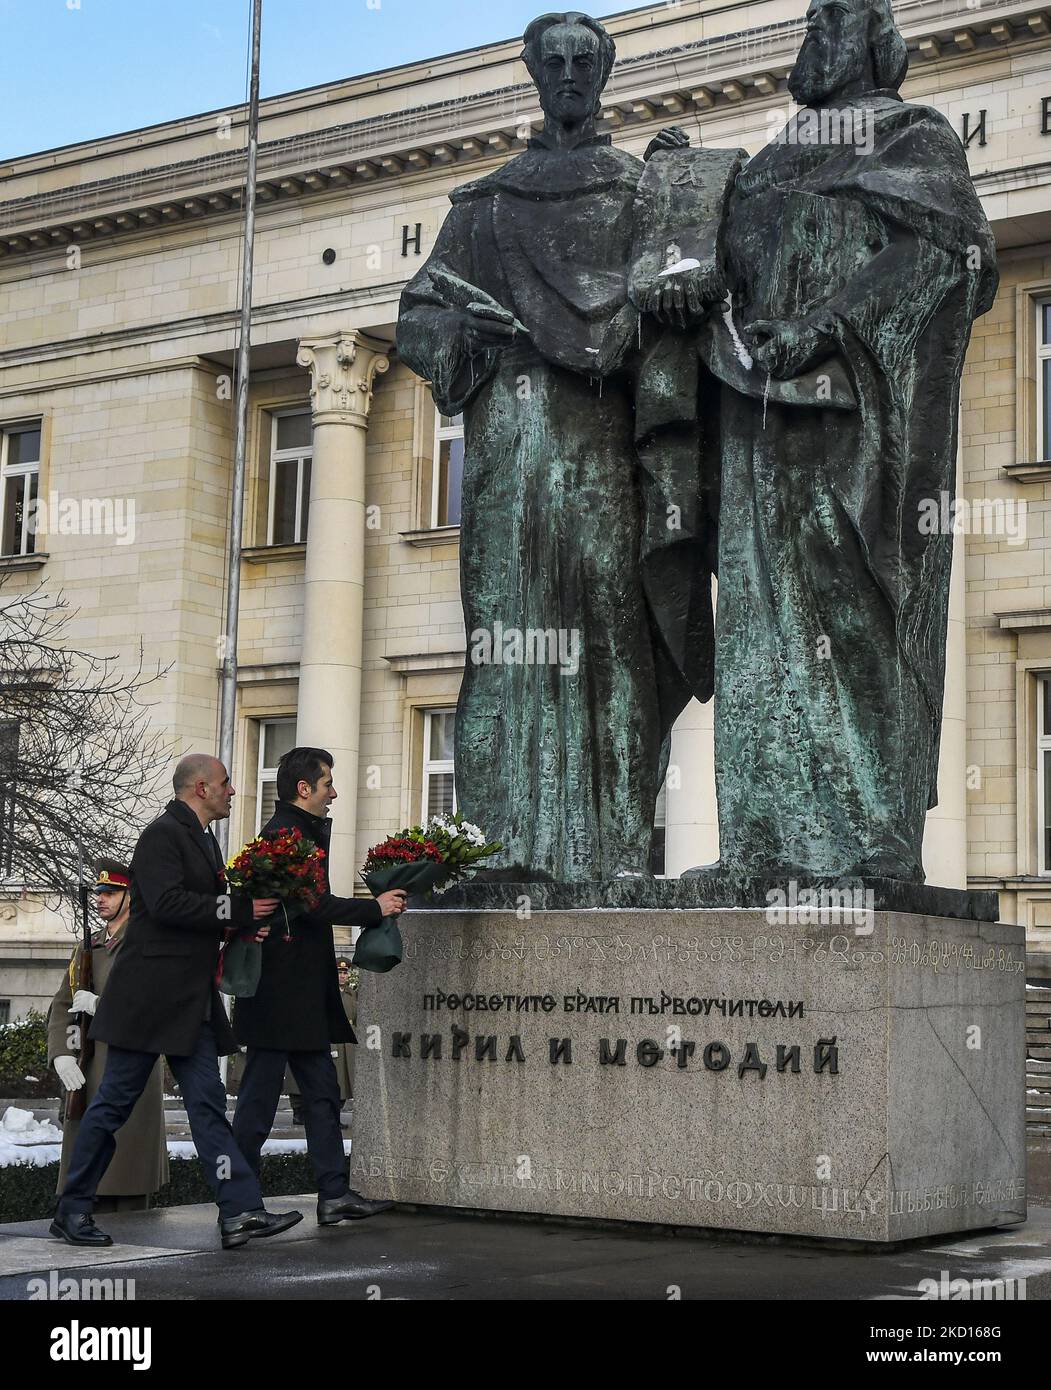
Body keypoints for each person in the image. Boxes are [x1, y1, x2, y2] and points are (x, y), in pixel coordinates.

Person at [397, 12, 711, 881]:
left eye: (585, 59)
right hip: (511, 449)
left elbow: (688, 288)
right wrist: (466, 330)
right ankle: (504, 850)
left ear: (605, 70)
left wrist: (679, 192)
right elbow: (418, 316)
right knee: (505, 639)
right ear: (531, 71)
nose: (569, 73)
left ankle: (607, 854)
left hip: (605, 446)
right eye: (554, 60)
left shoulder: (636, 187)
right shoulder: (484, 203)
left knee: (613, 640)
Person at [50, 754, 303, 1251]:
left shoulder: (202, 839)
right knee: (112, 1106)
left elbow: (199, 914)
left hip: (189, 1001)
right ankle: (72, 1209)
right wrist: (242, 909)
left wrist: (246, 922)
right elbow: (167, 905)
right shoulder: (163, 834)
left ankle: (239, 1211)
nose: (233, 792)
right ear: (202, 787)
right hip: (150, 1000)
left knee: (208, 1107)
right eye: (227, 784)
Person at [232, 747, 405, 1226]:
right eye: (327, 783)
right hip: (281, 992)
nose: (335, 793)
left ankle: (333, 1193)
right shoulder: (286, 835)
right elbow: (314, 905)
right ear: (304, 789)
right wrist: (375, 908)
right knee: (259, 1102)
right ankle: (240, 1203)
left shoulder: (296, 832)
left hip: (298, 991)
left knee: (322, 1094)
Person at [47, 860, 168, 1212]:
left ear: (132, 895)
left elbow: (158, 1003)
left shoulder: (147, 942)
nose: (101, 899)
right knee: (85, 1175)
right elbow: (63, 1004)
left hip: (130, 1064)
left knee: (127, 1184)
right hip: (89, 1067)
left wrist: (105, 1006)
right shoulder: (89, 946)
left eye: (111, 892)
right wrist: (62, 1053)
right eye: (98, 893)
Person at [287, 959, 356, 1128]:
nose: (342, 976)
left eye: (344, 973)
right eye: (339, 973)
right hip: (328, 1038)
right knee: (322, 1080)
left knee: (343, 1082)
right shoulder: (326, 991)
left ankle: (334, 1115)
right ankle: (302, 1113)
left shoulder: (351, 994)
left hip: (346, 1043)